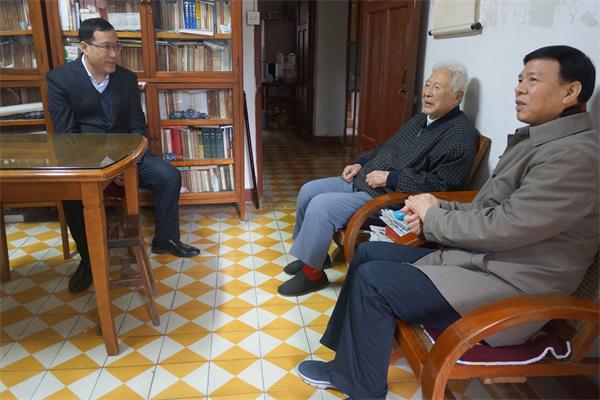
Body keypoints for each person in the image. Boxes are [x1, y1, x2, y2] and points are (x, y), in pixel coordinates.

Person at [295, 45, 599, 399]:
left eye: (532, 80)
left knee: (374, 280)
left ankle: (361, 386)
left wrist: (434, 215)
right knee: (368, 253)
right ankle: (346, 363)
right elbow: (489, 207)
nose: (519, 89)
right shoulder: (538, 142)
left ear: (570, 91)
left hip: (510, 287)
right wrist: (437, 209)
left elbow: (503, 226)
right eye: (519, 79)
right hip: (482, 261)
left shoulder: (573, 157)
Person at [278, 61, 480, 297]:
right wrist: (360, 163)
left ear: (457, 97)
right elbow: (386, 147)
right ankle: (313, 257)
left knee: (321, 206)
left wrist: (391, 178)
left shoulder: (460, 134)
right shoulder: (421, 119)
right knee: (308, 190)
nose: (427, 92)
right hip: (365, 179)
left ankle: (312, 275)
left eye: (437, 87)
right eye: (427, 85)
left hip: (387, 197)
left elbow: (443, 185)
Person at [47, 18, 200, 293]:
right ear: (84, 47)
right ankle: (88, 260)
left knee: (169, 176)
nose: (114, 54)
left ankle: (165, 239)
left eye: (117, 46)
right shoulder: (60, 80)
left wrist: (126, 164)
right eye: (106, 47)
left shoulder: (126, 78)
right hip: (86, 162)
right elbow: (67, 136)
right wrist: (106, 168)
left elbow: (137, 127)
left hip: (127, 158)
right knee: (70, 194)